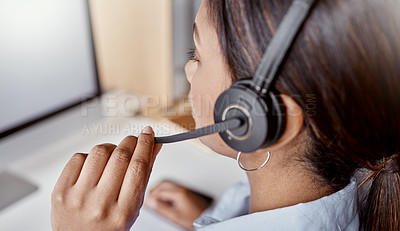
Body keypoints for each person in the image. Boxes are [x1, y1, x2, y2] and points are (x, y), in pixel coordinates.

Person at [51, 0, 400, 230]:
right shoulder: (365, 179)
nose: (189, 69)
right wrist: (212, 220)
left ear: (259, 114)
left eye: (197, 54)